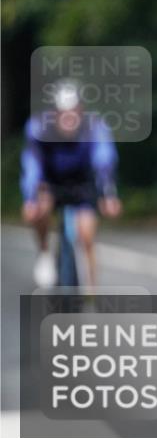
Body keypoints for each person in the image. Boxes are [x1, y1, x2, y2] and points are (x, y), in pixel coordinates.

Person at [21, 78, 121, 288]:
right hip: (50, 183)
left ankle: (91, 289)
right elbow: (32, 166)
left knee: (86, 234)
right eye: (63, 112)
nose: (68, 117)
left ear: (81, 110)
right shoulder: (39, 128)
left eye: (73, 111)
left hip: (82, 183)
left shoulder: (95, 127)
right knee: (39, 207)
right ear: (54, 112)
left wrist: (109, 194)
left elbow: (104, 160)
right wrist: (30, 198)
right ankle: (44, 250)